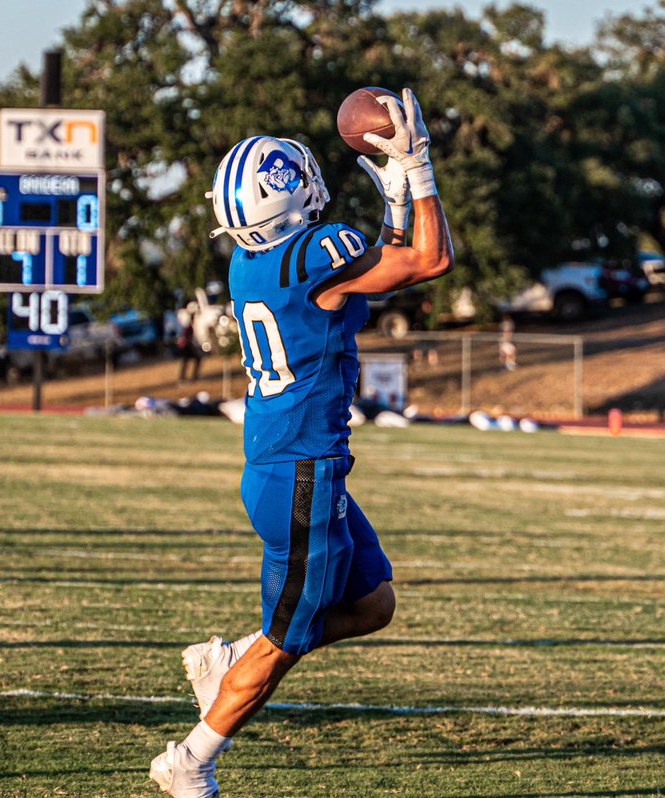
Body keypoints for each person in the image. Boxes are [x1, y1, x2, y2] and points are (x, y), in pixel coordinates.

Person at [150, 89, 454, 796]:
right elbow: (428, 261)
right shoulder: (318, 252)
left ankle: (234, 655)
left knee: (374, 604)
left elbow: (375, 269)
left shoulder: (251, 265)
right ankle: (190, 760)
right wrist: (417, 170)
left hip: (291, 470)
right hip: (301, 476)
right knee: (284, 642)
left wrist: (394, 201)